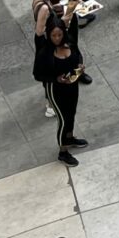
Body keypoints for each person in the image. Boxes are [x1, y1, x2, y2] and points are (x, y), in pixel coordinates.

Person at [35, 18, 86, 166]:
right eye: (53, 35)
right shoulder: (45, 52)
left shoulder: (69, 42)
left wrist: (80, 65)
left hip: (72, 84)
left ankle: (69, 138)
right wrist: (56, 79)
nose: (57, 38)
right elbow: (38, 75)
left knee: (72, 113)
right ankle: (63, 152)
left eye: (59, 35)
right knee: (63, 119)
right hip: (56, 89)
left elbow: (78, 53)